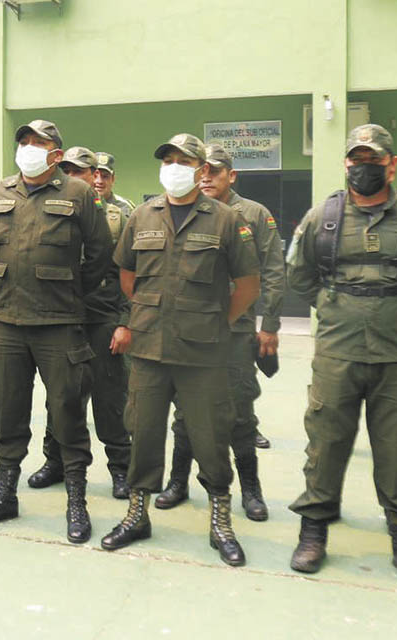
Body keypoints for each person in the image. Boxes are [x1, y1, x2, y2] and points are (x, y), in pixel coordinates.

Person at [286, 124, 397, 587]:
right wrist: (333, 305)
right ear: (346, 163)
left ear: (392, 164)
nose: (364, 167)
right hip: (337, 352)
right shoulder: (324, 217)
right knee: (325, 443)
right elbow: (298, 275)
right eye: (357, 159)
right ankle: (314, 529)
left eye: (374, 160)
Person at [101, 133, 260, 566]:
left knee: (211, 435)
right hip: (150, 348)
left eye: (182, 160)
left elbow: (247, 286)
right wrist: (149, 315)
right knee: (145, 432)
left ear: (202, 170)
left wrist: (214, 320)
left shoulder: (226, 219)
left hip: (203, 351)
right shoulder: (142, 216)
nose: (173, 167)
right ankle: (137, 514)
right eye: (167, 159)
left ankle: (220, 520)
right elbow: (128, 277)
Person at [0, 120, 111, 544]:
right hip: (9, 321)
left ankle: (76, 502)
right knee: (7, 408)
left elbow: (100, 253)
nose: (29, 148)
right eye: (24, 142)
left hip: (59, 322)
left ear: (56, 152)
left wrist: (69, 291)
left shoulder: (79, 193)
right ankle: (5, 494)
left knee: (66, 411)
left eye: (39, 143)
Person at [154, 143, 285, 521]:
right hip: (190, 330)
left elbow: (273, 272)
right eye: (202, 170)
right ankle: (178, 483)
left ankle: (251, 491)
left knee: (239, 412)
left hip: (235, 330)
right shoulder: (184, 211)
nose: (207, 177)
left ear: (232, 175)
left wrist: (270, 326)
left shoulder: (254, 215)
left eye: (215, 171)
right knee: (184, 413)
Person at [27, 145, 133, 499]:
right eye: (70, 171)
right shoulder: (50, 206)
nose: (88, 179)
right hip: (62, 317)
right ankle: (54, 461)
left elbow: (135, 275)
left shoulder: (121, 214)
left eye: (92, 173)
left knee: (109, 397)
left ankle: (120, 468)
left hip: (103, 317)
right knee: (60, 397)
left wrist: (125, 321)